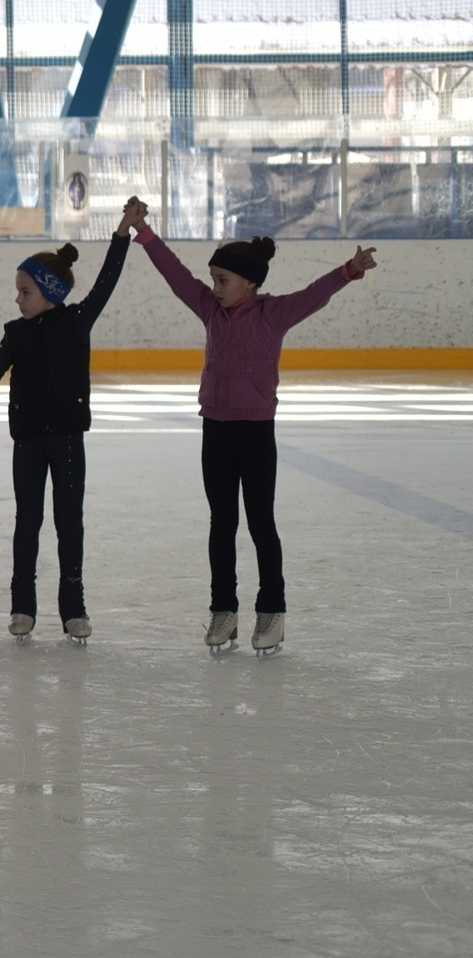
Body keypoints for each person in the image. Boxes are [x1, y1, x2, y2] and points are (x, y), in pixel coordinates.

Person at [136, 221, 376, 656]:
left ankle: (272, 612)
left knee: (261, 523)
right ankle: (223, 611)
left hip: (256, 433)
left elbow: (312, 296)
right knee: (221, 524)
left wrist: (348, 270)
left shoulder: (273, 314)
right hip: (216, 430)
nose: (215, 287)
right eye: (213, 279)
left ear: (250, 282)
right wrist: (145, 233)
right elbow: (176, 277)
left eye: (223, 280)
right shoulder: (210, 310)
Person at [0, 205, 140, 641]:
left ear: (50, 291)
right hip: (29, 443)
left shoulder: (76, 322)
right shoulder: (16, 333)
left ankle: (74, 607)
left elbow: (107, 280)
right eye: (18, 291)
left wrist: (122, 233)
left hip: (68, 439)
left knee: (69, 523)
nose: (18, 299)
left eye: (25, 291)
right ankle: (23, 606)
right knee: (27, 522)